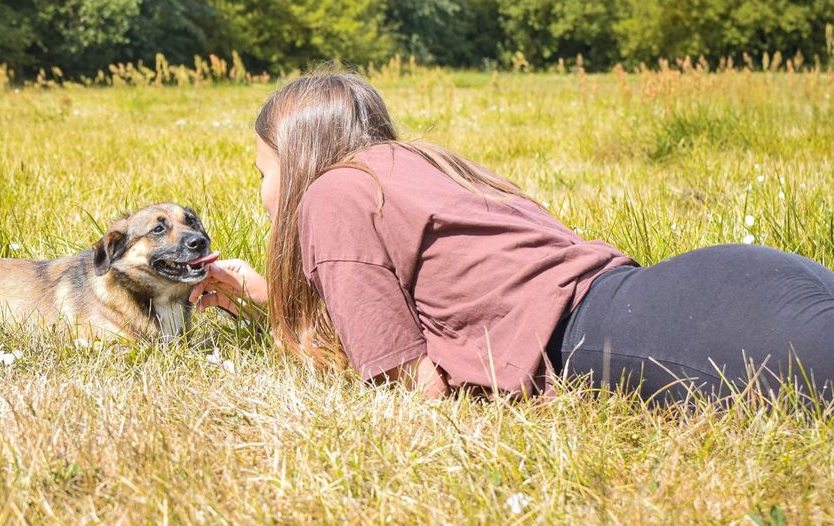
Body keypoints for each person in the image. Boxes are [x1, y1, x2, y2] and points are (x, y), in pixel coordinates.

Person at [190, 71, 834, 413]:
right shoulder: (415, 164)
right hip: (713, 283)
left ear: (299, 161)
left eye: (263, 172)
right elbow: (380, 296)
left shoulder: (331, 194)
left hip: (650, 331)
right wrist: (258, 292)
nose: (263, 192)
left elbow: (410, 384)